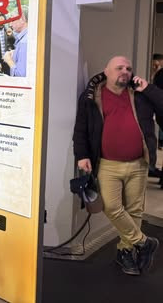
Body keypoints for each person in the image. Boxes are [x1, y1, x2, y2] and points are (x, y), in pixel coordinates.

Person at [73, 56, 163, 275]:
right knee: (111, 207)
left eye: (128, 68)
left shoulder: (140, 94)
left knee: (134, 210)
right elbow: (81, 128)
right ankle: (143, 241)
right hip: (107, 165)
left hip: (138, 163)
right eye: (119, 67)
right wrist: (82, 155)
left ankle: (126, 252)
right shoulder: (92, 95)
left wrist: (149, 88)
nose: (125, 71)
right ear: (107, 71)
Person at [3, 6, 28, 77]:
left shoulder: (24, 42)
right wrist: (17, 52)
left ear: (22, 19)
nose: (10, 24)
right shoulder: (26, 38)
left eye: (13, 20)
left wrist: (9, 60)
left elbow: (20, 76)